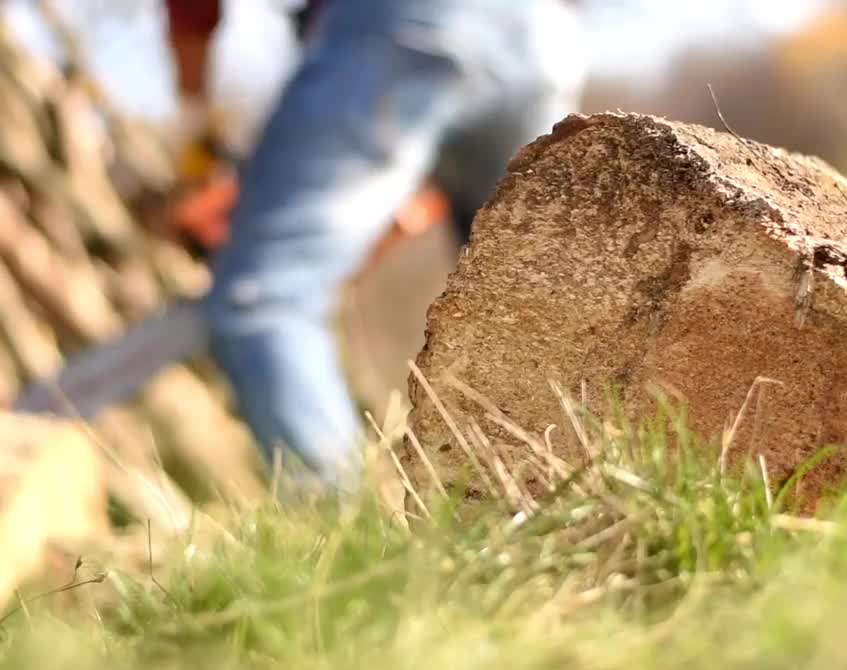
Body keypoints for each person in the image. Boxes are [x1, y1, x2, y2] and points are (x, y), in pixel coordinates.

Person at [168, 0, 587, 493]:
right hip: (540, 38)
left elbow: (192, 13)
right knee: (541, 318)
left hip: (403, 25)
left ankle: (361, 550)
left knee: (262, 300)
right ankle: (580, 523)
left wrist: (194, 128)